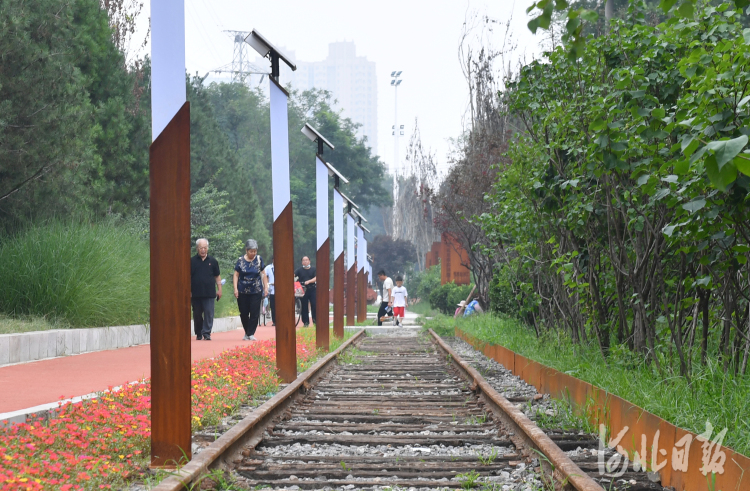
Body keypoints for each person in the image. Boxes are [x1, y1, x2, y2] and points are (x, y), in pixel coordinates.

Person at [233, 239, 267, 341]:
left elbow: (264, 274)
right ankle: (247, 331)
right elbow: (236, 275)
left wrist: (266, 287)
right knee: (243, 312)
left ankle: (250, 333)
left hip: (256, 290)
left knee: (254, 312)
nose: (253, 253)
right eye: (251, 251)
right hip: (242, 290)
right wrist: (235, 289)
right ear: (246, 250)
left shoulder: (259, 259)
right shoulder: (240, 260)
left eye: (255, 251)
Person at [190, 238, 222, 341]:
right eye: (201, 248)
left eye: (205, 248)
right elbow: (188, 277)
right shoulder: (192, 261)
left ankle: (207, 332)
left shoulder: (213, 261)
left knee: (209, 313)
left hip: (209, 293)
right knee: (197, 314)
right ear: (197, 249)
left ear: (207, 248)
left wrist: (219, 289)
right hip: (195, 293)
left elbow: (217, 276)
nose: (203, 250)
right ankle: (199, 332)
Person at [294, 256, 316, 327]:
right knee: (304, 306)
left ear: (309, 261)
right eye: (304, 260)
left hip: (312, 288)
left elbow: (316, 277)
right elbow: (293, 275)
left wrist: (309, 281)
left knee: (314, 305)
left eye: (307, 260)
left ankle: (315, 321)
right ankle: (306, 322)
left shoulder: (314, 269)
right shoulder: (299, 270)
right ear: (302, 262)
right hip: (303, 289)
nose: (305, 261)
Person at [263, 256, 275, 326]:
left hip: (281, 290)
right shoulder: (268, 268)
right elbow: (265, 277)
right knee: (273, 306)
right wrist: (266, 285)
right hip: (271, 289)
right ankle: (274, 321)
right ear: (273, 260)